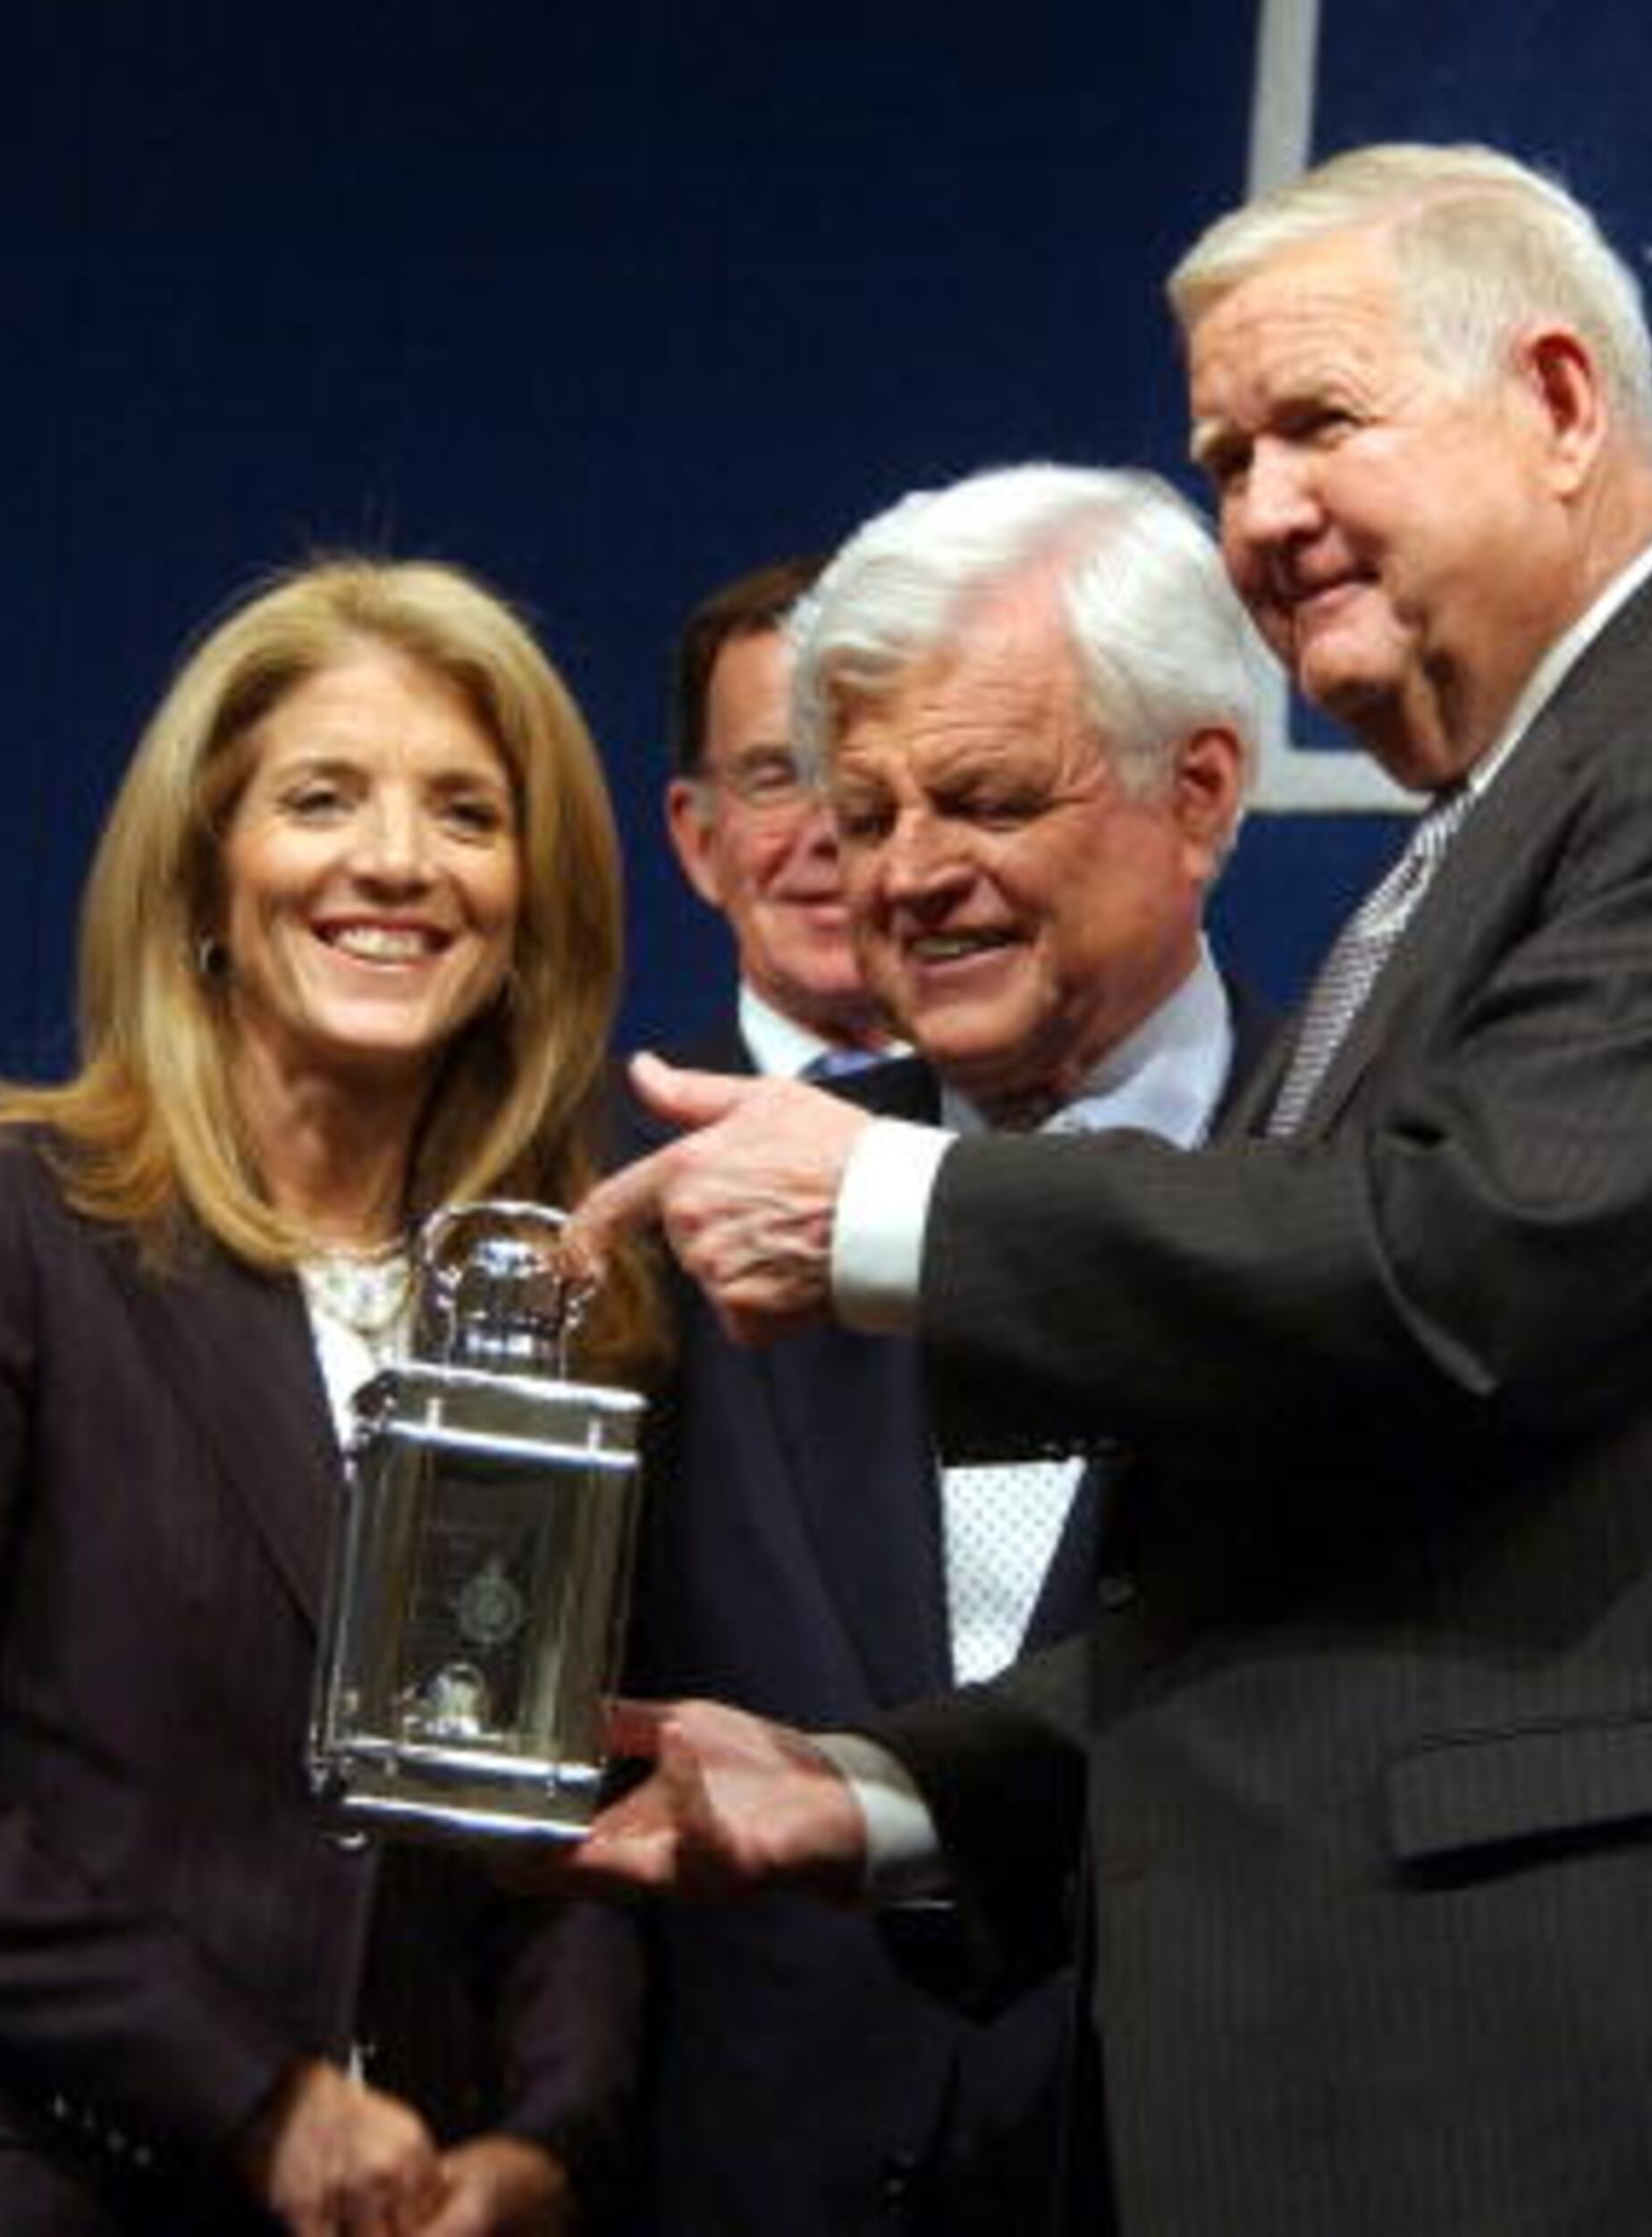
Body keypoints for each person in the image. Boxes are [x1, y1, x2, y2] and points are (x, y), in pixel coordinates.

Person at [567, 142, 1652, 2233]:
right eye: (1223, 455)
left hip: (1648, 2078)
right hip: (1441, 2078)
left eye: (1317, 425)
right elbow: (1318, 1547)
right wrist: (884, 1788)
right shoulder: (1454, 860)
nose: (1258, 510)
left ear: (1556, 404)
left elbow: (1469, 1267)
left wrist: (890, 1210)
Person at [0, 559, 652, 2237]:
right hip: (49, 2184)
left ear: (534, 900)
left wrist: (552, 2134)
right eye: (324, 798)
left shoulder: (565, 1306)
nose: (396, 861)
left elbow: (575, 1811)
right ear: (206, 877)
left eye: (467, 812)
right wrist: (255, 2094)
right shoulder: (16, 1216)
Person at [627, 463, 1273, 2237]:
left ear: (1197, 792)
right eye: (862, 810)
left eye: (980, 800)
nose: (904, 878)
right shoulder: (709, 1203)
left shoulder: (1360, 1185)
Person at [657, 554, 896, 1081]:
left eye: (865, 774)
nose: (829, 831)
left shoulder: (1079, 1136)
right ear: (699, 841)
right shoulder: (578, 1152)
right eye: (776, 778)